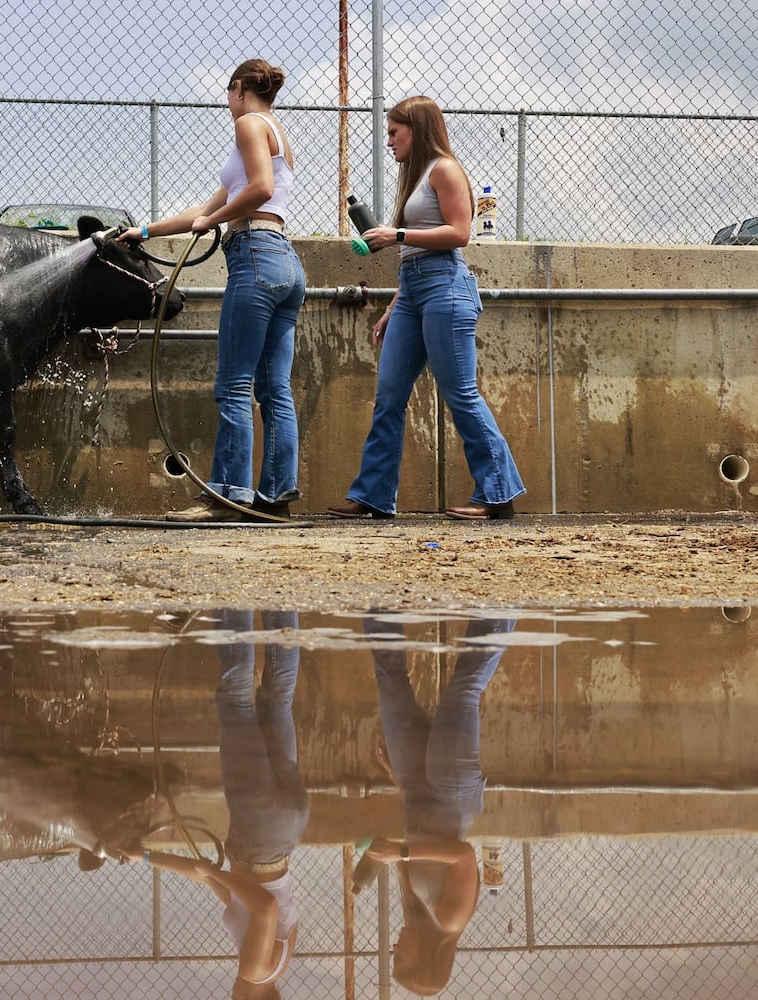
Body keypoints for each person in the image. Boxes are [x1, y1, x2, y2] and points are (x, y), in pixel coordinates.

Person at [119, 59, 307, 522]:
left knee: (234, 385)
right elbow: (210, 206)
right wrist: (144, 230)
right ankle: (275, 497)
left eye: (228, 95)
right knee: (275, 389)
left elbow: (258, 191)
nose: (228, 105)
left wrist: (214, 221)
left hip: (256, 257)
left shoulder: (247, 124)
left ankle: (225, 495)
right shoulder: (276, 130)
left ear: (238, 89)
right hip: (286, 262)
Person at [326, 95, 525, 521]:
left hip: (445, 290)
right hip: (414, 293)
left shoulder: (446, 169)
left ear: (417, 128)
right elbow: (414, 256)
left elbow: (459, 233)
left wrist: (395, 234)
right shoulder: (416, 177)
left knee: (461, 394)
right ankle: (374, 496)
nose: (390, 141)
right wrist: (394, 305)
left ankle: (497, 494)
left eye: (395, 132)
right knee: (389, 395)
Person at [126, 610, 307, 997]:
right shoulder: (255, 970)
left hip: (285, 830)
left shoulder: (279, 963)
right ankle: (233, 598)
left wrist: (142, 857)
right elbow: (263, 907)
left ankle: (281, 597)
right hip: (258, 837)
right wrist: (223, 873)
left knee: (277, 700)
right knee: (234, 701)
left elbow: (210, 879)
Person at [358, 614, 515, 995]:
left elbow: (416, 834)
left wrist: (396, 780)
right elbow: (461, 855)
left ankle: (379, 597)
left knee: (389, 682)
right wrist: (400, 852)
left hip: (414, 788)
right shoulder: (450, 921)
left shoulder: (415, 909)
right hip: (451, 792)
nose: (393, 948)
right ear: (425, 957)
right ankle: (501, 602)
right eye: (400, 957)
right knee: (463, 689)